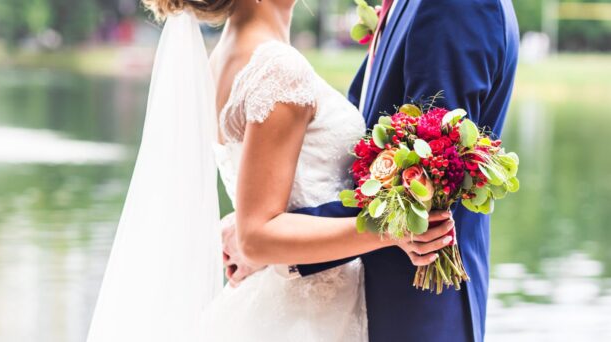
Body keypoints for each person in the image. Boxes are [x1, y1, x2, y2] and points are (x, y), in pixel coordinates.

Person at [86, 0, 452, 341]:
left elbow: (263, 201)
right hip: (305, 319)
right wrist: (389, 231)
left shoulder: (224, 58)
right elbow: (257, 236)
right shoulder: (278, 68)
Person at [224, 0, 519, 341]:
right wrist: (262, 223)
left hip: (415, 308)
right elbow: (361, 154)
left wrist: (270, 239)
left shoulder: (453, 5)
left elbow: (427, 182)